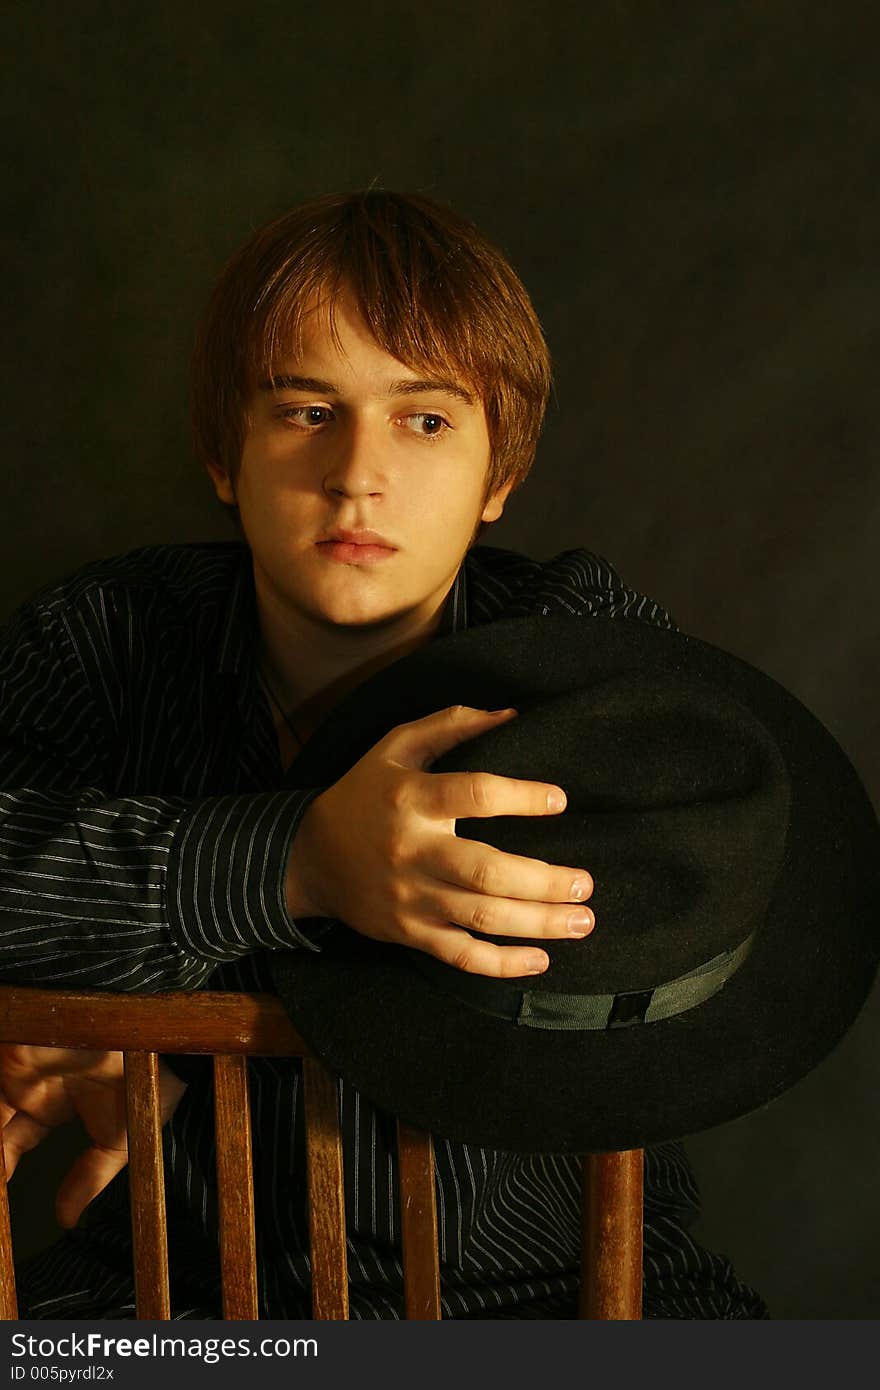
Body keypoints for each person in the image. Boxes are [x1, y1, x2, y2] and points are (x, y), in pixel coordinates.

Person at [0, 190, 767, 1318]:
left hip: (564, 1302)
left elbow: (713, 902)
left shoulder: (586, 644)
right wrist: (294, 860)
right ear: (224, 455)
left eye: (425, 420)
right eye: (307, 410)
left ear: (499, 476)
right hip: (171, 1305)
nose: (357, 472)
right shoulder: (101, 641)